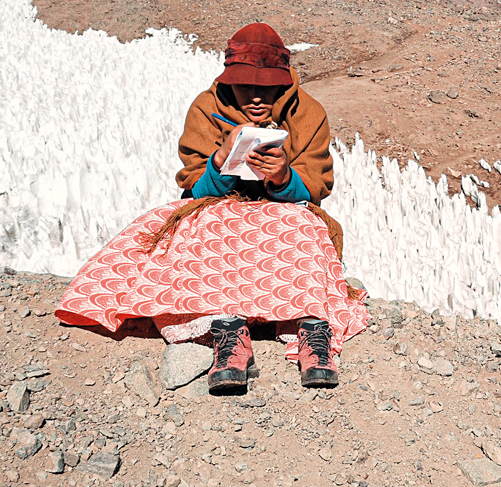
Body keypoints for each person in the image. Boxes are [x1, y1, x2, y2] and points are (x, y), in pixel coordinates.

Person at [56, 23, 367, 393]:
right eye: (245, 85)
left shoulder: (308, 114)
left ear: (284, 83)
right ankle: (227, 331)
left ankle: (311, 330)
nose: (255, 97)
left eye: (266, 88)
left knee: (305, 227)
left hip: (284, 211)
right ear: (228, 81)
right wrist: (219, 162)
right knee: (206, 225)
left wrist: (284, 177)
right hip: (221, 207)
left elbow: (316, 186)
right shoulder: (207, 109)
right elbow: (193, 186)